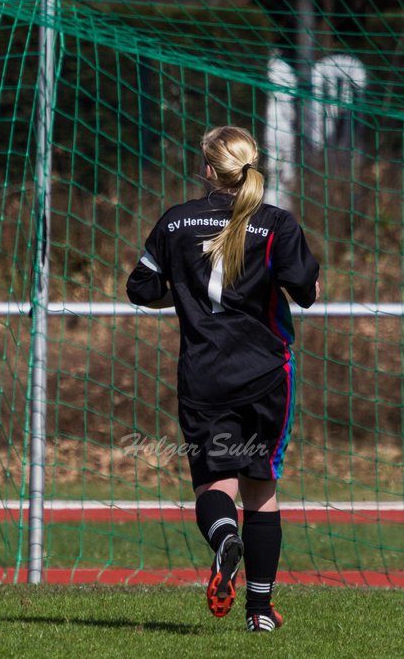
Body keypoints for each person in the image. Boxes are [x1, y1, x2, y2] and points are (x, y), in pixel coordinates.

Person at [125, 125, 319, 633]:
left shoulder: (175, 222)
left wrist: (183, 292)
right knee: (260, 487)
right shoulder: (276, 224)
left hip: (204, 374)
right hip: (265, 374)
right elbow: (306, 291)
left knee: (215, 483)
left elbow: (141, 289)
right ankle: (260, 612)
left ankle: (223, 539)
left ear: (208, 169)